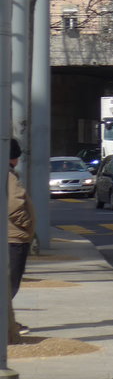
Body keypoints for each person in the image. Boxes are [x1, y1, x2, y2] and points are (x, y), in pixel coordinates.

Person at [8, 138, 35, 341]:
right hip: (14, 237)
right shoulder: (9, 176)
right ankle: (7, 326)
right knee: (10, 284)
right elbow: (14, 206)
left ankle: (8, 324)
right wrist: (26, 224)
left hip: (10, 236)